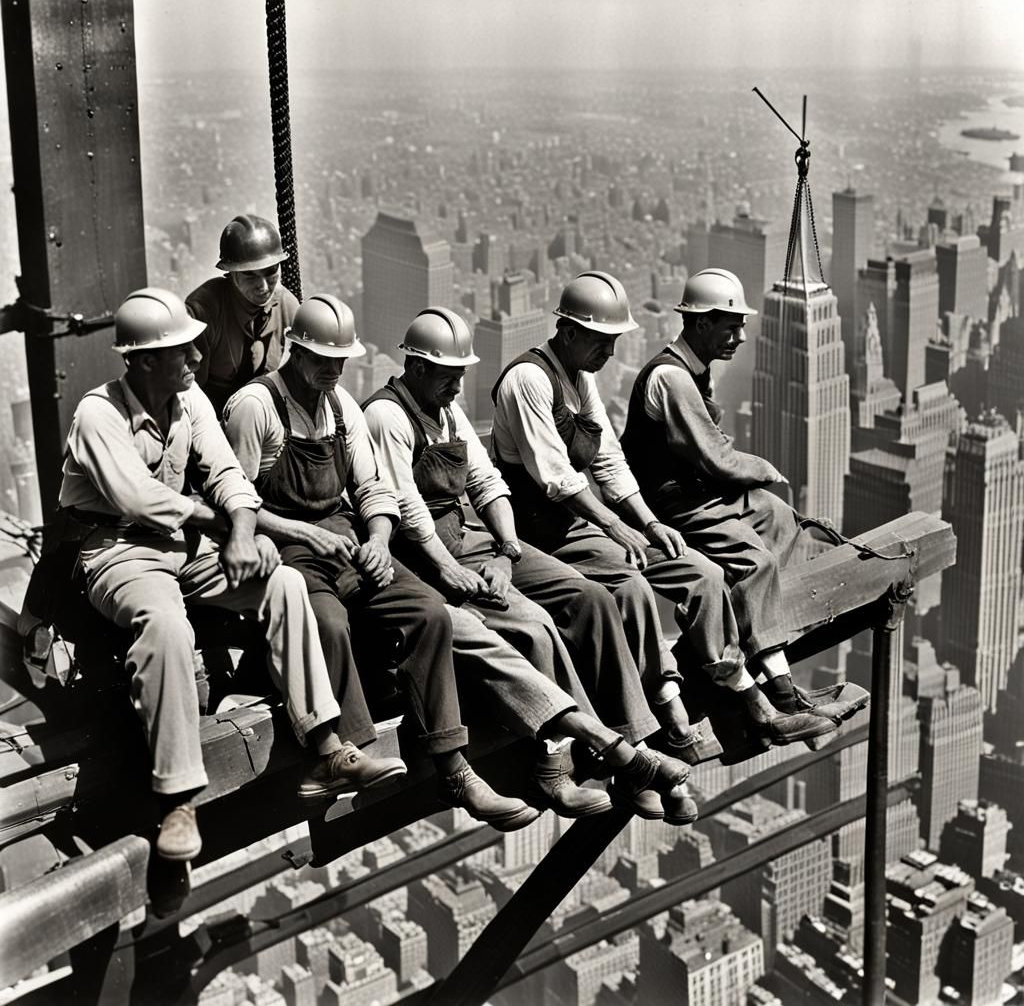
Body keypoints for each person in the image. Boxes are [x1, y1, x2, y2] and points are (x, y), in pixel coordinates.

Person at [57, 287, 405, 863]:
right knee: (166, 628)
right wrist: (217, 526)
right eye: (182, 352)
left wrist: (244, 535)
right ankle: (178, 800)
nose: (197, 361)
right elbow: (135, 498)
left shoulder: (188, 400)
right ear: (144, 361)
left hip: (183, 542)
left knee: (286, 583)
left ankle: (326, 744)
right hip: (117, 548)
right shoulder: (98, 413)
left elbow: (226, 475)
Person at [222, 293, 553, 829]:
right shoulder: (256, 408)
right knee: (326, 621)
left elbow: (373, 489)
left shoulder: (340, 406)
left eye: (341, 362)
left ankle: (454, 766)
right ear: (295, 352)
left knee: (429, 613)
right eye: (323, 361)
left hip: (347, 542)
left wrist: (378, 539)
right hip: (286, 549)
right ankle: (352, 755)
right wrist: (304, 533)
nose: (333, 371)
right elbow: (236, 504)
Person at [363, 307, 686, 820]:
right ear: (417, 368)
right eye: (448, 376)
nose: (457, 387)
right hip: (422, 558)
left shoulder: (447, 408)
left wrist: (506, 549)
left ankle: (634, 740)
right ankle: (557, 765)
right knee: (534, 626)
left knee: (591, 598)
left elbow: (486, 482)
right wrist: (450, 570)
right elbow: (407, 509)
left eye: (461, 376)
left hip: (469, 541)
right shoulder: (387, 415)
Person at [491, 271, 835, 748]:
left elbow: (609, 460)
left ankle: (768, 688)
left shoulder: (579, 378)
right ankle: (749, 706)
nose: (609, 354)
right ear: (568, 331)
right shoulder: (529, 379)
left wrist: (647, 524)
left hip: (591, 521)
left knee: (703, 575)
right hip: (545, 530)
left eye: (614, 342)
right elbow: (557, 478)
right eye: (601, 341)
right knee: (637, 583)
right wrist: (616, 525)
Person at [620, 267, 868, 723]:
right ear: (700, 324)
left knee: (778, 517)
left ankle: (760, 622)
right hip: (677, 503)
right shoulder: (671, 379)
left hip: (703, 491)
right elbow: (714, 457)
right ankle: (779, 685)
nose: (740, 336)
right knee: (757, 562)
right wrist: (765, 470)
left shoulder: (695, 369)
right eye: (731, 326)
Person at [186, 214, 298, 416]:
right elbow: (189, 394)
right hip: (209, 418)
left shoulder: (287, 307)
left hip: (264, 415)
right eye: (250, 274)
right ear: (231, 272)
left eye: (271, 271)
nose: (263, 287)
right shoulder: (203, 312)